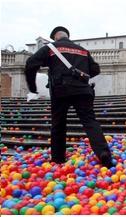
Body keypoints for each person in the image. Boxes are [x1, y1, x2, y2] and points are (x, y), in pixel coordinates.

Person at [24, 26, 114, 168]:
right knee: (90, 122)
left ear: (55, 37)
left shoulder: (52, 48)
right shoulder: (82, 50)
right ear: (67, 36)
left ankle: (58, 159)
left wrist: (33, 88)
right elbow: (96, 69)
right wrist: (81, 75)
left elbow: (30, 64)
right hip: (84, 91)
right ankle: (104, 153)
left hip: (61, 90)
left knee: (58, 124)